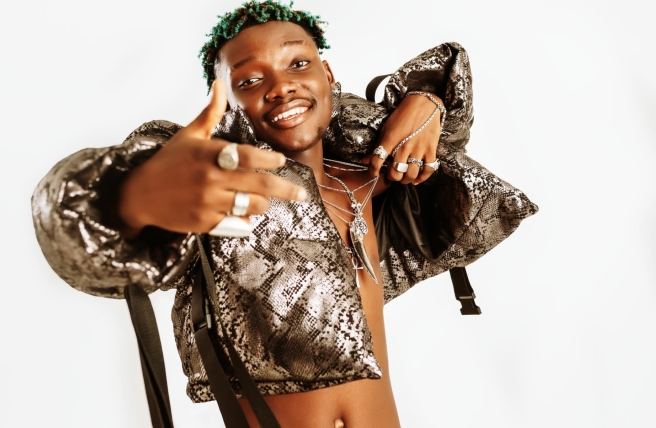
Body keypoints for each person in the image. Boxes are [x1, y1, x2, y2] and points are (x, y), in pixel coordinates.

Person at [31, 1, 537, 427]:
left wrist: (426, 100)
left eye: (297, 64)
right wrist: (135, 195)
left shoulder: (366, 177)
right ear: (225, 102)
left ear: (327, 75)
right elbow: (78, 224)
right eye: (249, 79)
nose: (280, 86)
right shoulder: (221, 192)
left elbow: (444, 135)